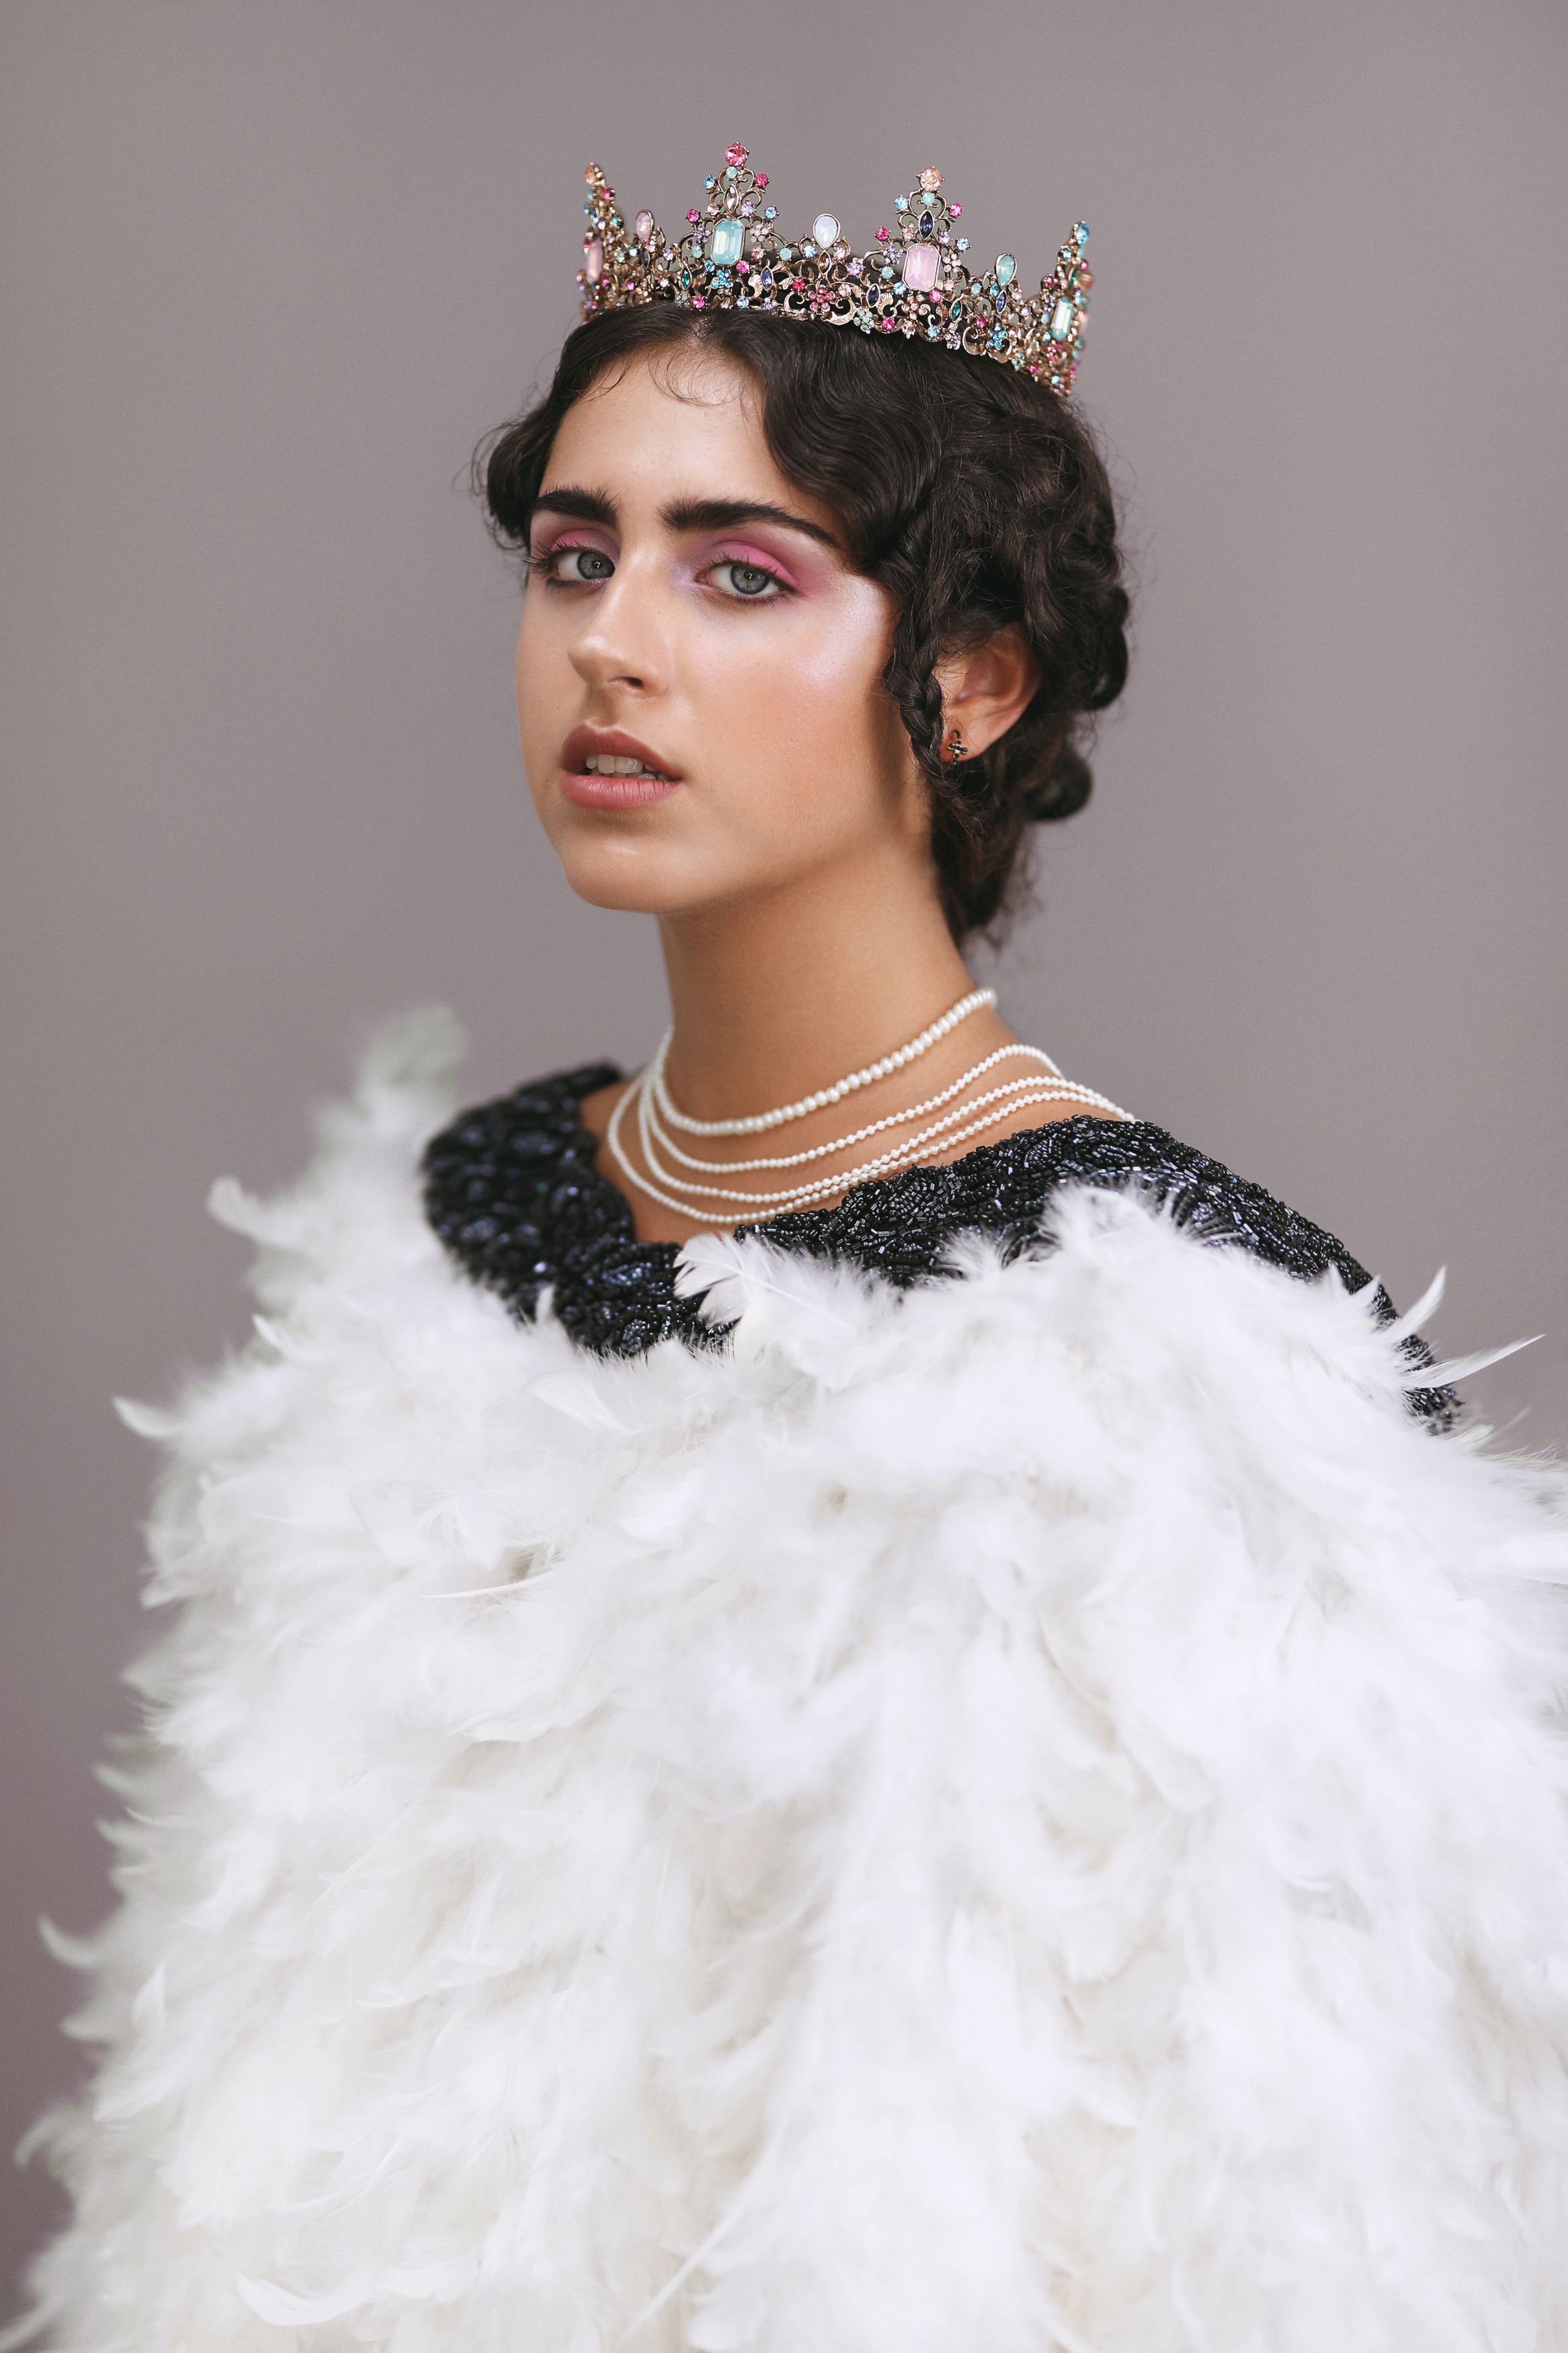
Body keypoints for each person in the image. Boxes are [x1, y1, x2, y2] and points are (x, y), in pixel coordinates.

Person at [11, 144, 1568, 2353]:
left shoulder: (1185, 1374)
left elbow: (1295, 2236)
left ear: (976, 678)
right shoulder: (442, 1242)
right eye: (576, 555)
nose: (610, 641)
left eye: (740, 573)